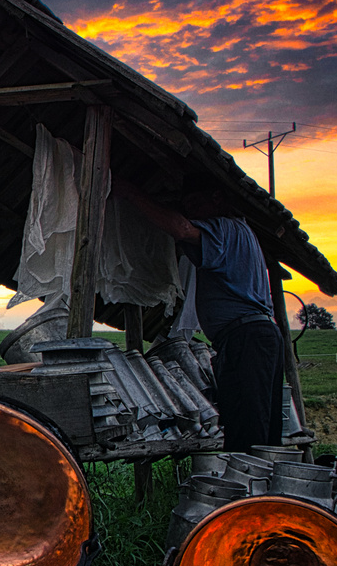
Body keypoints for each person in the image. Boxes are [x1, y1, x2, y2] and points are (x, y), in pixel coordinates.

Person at [116, 185, 283, 450]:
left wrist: (131, 193)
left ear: (217, 196)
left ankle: (250, 487)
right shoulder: (241, 233)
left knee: (246, 433)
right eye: (186, 205)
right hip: (255, 337)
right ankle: (263, 484)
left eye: (194, 201)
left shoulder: (222, 228)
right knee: (260, 428)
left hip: (246, 339)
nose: (190, 211)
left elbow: (181, 229)